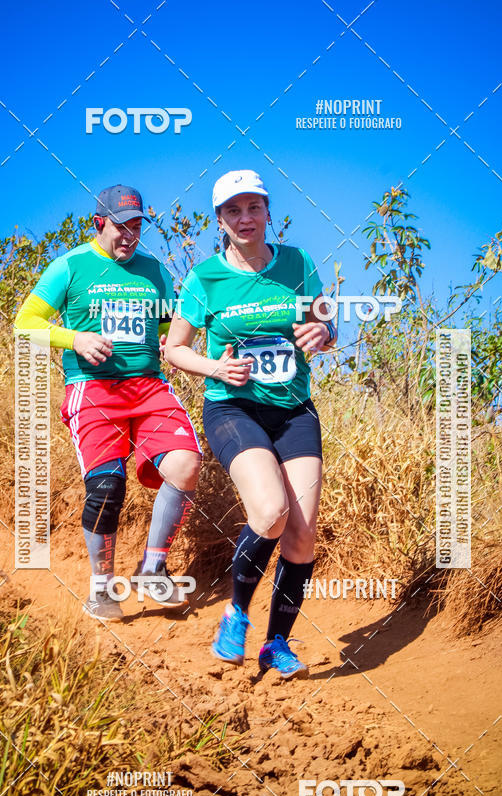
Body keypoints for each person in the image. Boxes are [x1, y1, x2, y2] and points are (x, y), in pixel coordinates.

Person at [164, 170, 336, 678]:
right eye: (233, 211)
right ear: (220, 220)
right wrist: (215, 368)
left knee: (302, 534)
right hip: (233, 409)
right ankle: (236, 612)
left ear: (267, 212)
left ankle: (276, 642)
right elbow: (174, 348)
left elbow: (326, 320)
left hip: (294, 410)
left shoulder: (297, 263)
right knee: (270, 511)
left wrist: (323, 332)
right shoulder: (205, 278)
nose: (245, 218)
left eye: (253, 208)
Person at [15, 184, 202, 623]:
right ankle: (102, 590)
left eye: (137, 226)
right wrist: (74, 339)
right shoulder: (70, 266)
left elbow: (167, 328)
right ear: (99, 223)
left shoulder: (154, 272)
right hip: (93, 389)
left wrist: (172, 344)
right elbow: (26, 322)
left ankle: (152, 569)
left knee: (186, 464)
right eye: (121, 226)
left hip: (149, 388)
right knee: (106, 488)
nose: (130, 236)